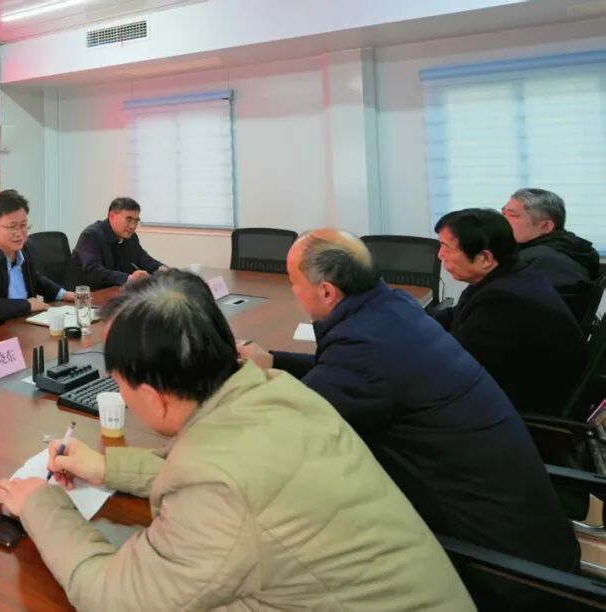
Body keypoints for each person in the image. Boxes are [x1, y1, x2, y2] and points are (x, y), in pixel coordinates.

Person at [0, 270, 473, 611]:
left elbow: (113, 597)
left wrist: (40, 504)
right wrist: (104, 467)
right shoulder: (275, 391)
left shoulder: (216, 487)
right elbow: (227, 475)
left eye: (119, 383)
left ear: (154, 398)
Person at [238, 229, 579, 610]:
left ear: (328, 292)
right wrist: (275, 361)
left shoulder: (364, 349)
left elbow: (289, 431)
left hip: (493, 565)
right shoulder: (391, 309)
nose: (293, 290)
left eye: (294, 282)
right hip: (523, 528)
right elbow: (340, 373)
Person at [434, 208, 587, 416]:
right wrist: (409, 323)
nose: (440, 255)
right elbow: (454, 316)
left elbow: (456, 368)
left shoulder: (504, 303)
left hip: (519, 413)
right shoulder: (508, 275)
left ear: (484, 258)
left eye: (447, 248)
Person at [0, 190, 74, 322]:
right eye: (12, 227)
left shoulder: (26, 247)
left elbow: (35, 278)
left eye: (23, 225)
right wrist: (28, 305)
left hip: (23, 321)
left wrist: (63, 294)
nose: (19, 233)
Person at [503, 188, 599, 320]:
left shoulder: (540, 259)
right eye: (503, 214)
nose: (502, 221)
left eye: (512, 215)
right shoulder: (572, 248)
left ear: (546, 226)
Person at [63, 197, 167, 290]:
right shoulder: (91, 235)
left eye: (136, 221)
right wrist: (129, 278)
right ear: (112, 216)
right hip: (84, 296)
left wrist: (164, 270)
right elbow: (94, 270)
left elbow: (143, 258)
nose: (133, 226)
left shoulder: (131, 237)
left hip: (112, 291)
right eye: (129, 220)